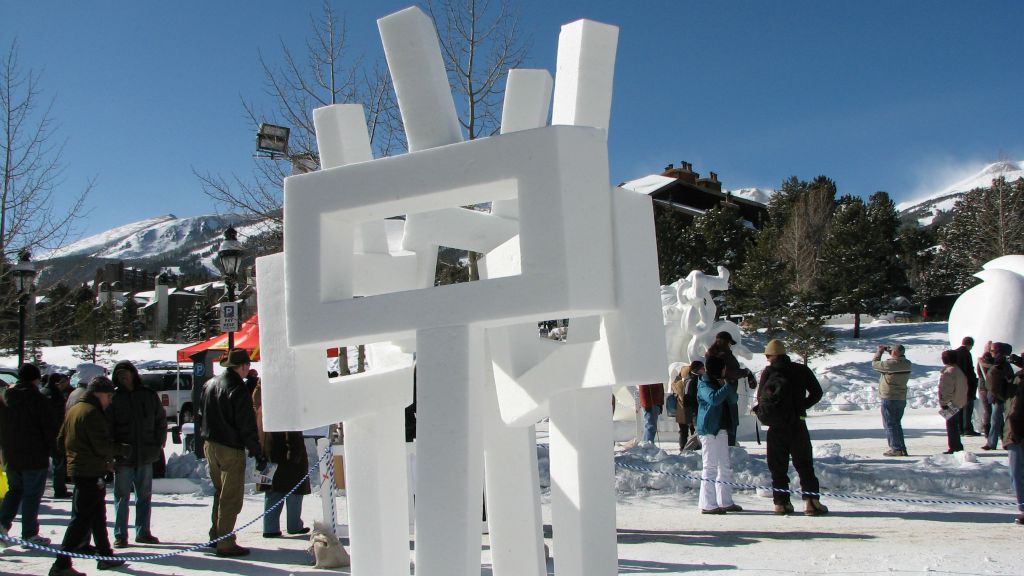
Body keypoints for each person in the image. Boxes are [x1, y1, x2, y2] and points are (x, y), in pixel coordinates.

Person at [49, 376, 130, 576]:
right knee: (81, 519)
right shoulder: (92, 413)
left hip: (82, 469)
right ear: (98, 394)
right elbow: (101, 445)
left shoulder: (74, 409)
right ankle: (61, 564)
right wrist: (122, 450)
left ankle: (105, 554)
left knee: (96, 515)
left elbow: (61, 441)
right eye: (109, 396)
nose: (110, 400)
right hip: (89, 472)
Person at [199, 349, 267, 557]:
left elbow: (201, 411)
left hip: (210, 444)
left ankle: (216, 534)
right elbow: (246, 426)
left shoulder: (210, 383)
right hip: (230, 446)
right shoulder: (237, 389)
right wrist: (258, 452)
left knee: (220, 492)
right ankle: (225, 541)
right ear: (244, 366)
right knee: (231, 497)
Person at [758, 339, 827, 516]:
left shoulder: (769, 372)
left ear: (771, 356)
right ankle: (811, 502)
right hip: (797, 423)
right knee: (804, 464)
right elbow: (817, 393)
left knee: (777, 467)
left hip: (776, 426)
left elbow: (760, 397)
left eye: (767, 355)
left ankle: (781, 503)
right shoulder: (801, 370)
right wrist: (802, 406)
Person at [110, 360, 168, 547]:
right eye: (119, 375)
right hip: (123, 455)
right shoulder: (114, 398)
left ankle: (143, 531)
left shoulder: (148, 395)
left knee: (144, 495)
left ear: (134, 374)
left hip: (145, 454)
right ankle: (120, 534)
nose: (123, 377)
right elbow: (107, 428)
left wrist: (158, 444)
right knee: (121, 497)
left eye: (125, 373)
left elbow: (161, 421)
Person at [0, 363, 58, 546]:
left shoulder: (5, 398)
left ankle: (2, 525)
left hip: (11, 454)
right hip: (34, 455)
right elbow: (48, 428)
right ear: (36, 379)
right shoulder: (38, 399)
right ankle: (29, 533)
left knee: (14, 490)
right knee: (32, 495)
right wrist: (56, 451)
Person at [695, 355, 740, 514]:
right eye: (723, 368)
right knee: (710, 466)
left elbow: (733, 399)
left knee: (725, 466)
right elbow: (713, 399)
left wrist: (730, 386)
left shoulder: (720, 382)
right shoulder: (704, 383)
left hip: (722, 427)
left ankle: (725, 501)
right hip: (709, 430)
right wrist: (726, 387)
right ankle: (707, 504)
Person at [705, 331, 755, 446]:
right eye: (729, 343)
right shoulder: (724, 354)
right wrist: (745, 372)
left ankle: (725, 446)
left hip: (720, 390)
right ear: (723, 342)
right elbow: (731, 372)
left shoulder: (712, 353)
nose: (730, 345)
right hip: (727, 389)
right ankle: (730, 447)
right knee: (731, 421)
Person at [261, 430, 311, 537]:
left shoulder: (265, 414)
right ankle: (294, 525)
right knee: (294, 492)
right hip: (288, 458)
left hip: (268, 452)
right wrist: (295, 455)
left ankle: (270, 528)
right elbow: (293, 433)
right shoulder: (289, 415)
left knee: (272, 492)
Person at [872, 344, 912, 457]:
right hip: (901, 397)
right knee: (897, 424)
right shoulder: (907, 363)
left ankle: (895, 448)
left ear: (894, 353)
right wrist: (891, 352)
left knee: (889, 424)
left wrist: (880, 352)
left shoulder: (890, 364)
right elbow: (897, 359)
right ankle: (901, 448)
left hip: (889, 397)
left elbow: (875, 364)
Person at [42, 372, 72, 498]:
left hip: (40, 433)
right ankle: (59, 489)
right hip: (55, 433)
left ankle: (39, 489)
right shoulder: (57, 395)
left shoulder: (42, 393)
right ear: (57, 383)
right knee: (58, 463)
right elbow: (60, 416)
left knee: (41, 464)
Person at [982, 342, 1015, 451]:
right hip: (998, 396)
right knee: (998, 419)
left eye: (993, 351)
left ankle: (992, 443)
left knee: (996, 420)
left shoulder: (1001, 364)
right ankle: (1001, 440)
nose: (991, 353)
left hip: (998, 396)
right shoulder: (1001, 363)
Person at [1003, 361, 1024, 524]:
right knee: (1016, 474)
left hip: (1016, 431)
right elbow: (996, 391)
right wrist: (996, 367)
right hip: (1014, 432)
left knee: (1017, 473)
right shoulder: (1016, 379)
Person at [938, 350, 968, 454]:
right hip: (959, 401)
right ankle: (957, 445)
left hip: (950, 403)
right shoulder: (958, 370)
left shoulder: (948, 372)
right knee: (954, 425)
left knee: (951, 425)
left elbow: (947, 390)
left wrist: (944, 402)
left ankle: (954, 446)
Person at [671, 360, 703, 452]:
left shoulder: (680, 379)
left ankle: (682, 449)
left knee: (683, 431)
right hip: (691, 409)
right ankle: (692, 449)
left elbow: (674, 388)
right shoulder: (694, 379)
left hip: (680, 408)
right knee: (693, 431)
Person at [953, 337, 981, 436]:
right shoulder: (966, 354)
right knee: (967, 408)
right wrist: (974, 380)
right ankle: (967, 428)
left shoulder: (955, 352)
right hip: (967, 385)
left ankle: (960, 428)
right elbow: (969, 370)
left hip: (957, 385)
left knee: (959, 408)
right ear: (970, 345)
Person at [977, 341, 995, 437]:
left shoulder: (980, 362)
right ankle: (989, 430)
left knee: (987, 410)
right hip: (988, 388)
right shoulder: (990, 362)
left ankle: (987, 430)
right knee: (990, 410)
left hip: (982, 388)